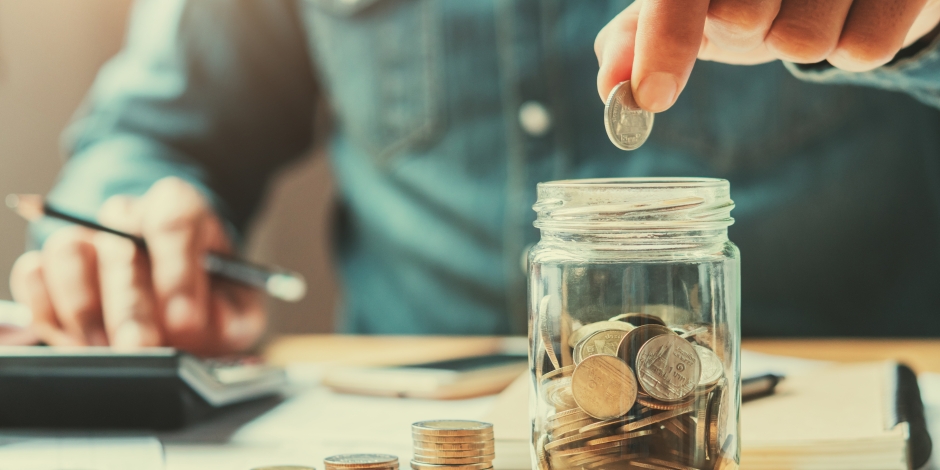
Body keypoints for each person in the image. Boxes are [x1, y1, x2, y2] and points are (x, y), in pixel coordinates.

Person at [9, 0, 940, 355]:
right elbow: (151, 132)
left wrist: (922, 27)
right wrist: (119, 228)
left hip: (839, 411)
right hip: (411, 425)